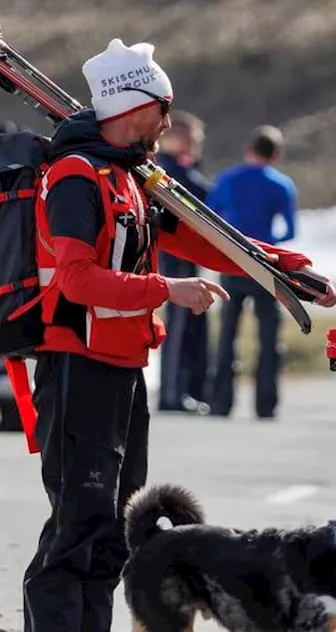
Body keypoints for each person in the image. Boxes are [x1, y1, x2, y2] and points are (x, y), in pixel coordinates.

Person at [20, 37, 336, 632]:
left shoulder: (130, 175)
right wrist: (169, 287)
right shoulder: (77, 178)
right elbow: (78, 279)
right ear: (137, 104)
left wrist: (280, 270)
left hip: (121, 370)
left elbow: (204, 236)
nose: (169, 120)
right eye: (164, 106)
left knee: (111, 537)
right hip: (76, 369)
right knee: (73, 536)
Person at [206, 125, 299, 419]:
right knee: (269, 337)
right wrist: (270, 242)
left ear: (250, 148)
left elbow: (210, 213)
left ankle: (221, 403)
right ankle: (265, 405)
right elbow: (290, 230)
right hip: (265, 264)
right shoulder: (282, 185)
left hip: (233, 261)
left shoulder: (228, 178)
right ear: (277, 154)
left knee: (226, 335)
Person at [155, 110, 214, 414]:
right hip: (173, 260)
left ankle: (184, 389)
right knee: (176, 328)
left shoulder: (179, 168)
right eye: (193, 138)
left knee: (188, 326)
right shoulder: (170, 171)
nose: (197, 144)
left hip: (180, 258)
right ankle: (171, 392)